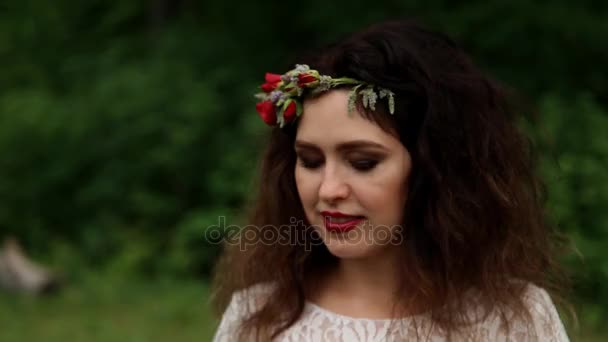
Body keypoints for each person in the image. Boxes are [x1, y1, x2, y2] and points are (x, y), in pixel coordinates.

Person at [211, 20, 570, 341]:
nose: (329, 189)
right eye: (310, 161)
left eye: (363, 162)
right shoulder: (258, 318)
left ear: (436, 171)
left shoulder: (514, 320)